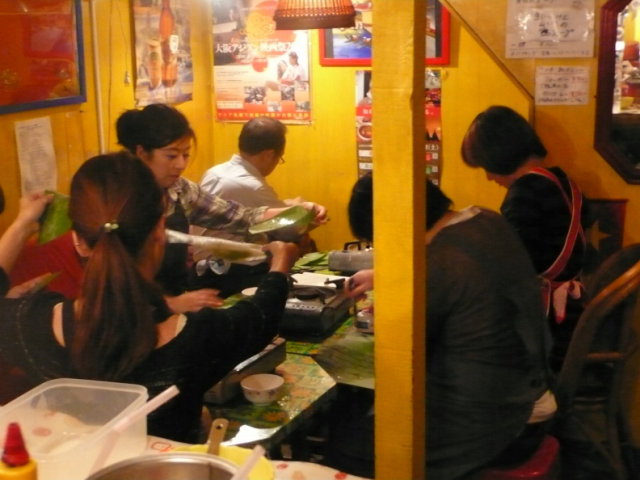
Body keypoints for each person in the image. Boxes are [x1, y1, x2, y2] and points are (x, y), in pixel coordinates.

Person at [0, 151, 299, 443]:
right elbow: (261, 316)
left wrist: (22, 224)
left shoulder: (29, 325)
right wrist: (280, 265)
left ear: (77, 241)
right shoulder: (199, 336)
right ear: (159, 234)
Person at [344, 174, 555, 480]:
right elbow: (470, 275)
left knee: (350, 445)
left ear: (396, 224)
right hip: (529, 392)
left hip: (500, 424)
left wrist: (386, 316)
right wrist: (383, 274)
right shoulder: (485, 219)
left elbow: (404, 343)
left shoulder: (440, 261)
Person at [116, 103, 326, 309]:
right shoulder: (116, 197)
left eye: (186, 154)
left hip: (175, 302)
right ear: (142, 152)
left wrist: (298, 212)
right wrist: (169, 304)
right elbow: (113, 279)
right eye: (171, 155)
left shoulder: (179, 189)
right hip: (131, 311)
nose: (181, 164)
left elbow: (239, 217)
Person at [461, 105, 588, 372]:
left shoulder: (524, 193)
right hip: (573, 316)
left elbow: (515, 267)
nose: (488, 177)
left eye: (487, 167)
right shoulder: (564, 182)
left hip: (546, 331)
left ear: (499, 156)